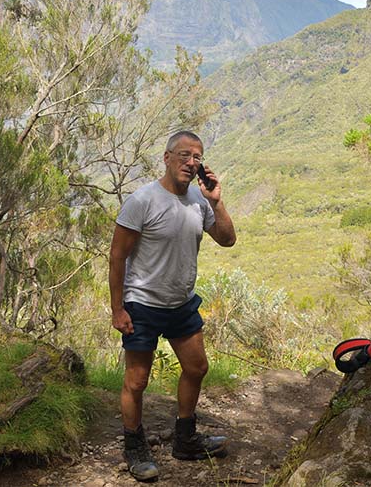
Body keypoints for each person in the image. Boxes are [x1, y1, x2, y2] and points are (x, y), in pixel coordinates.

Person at [109, 131, 236, 481]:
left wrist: (216, 201)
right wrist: (118, 309)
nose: (190, 162)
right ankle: (135, 446)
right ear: (166, 158)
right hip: (143, 304)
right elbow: (118, 256)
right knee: (136, 382)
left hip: (180, 303)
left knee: (197, 368)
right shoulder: (142, 200)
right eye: (183, 155)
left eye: (197, 157)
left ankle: (185, 439)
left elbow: (227, 240)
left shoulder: (199, 200)